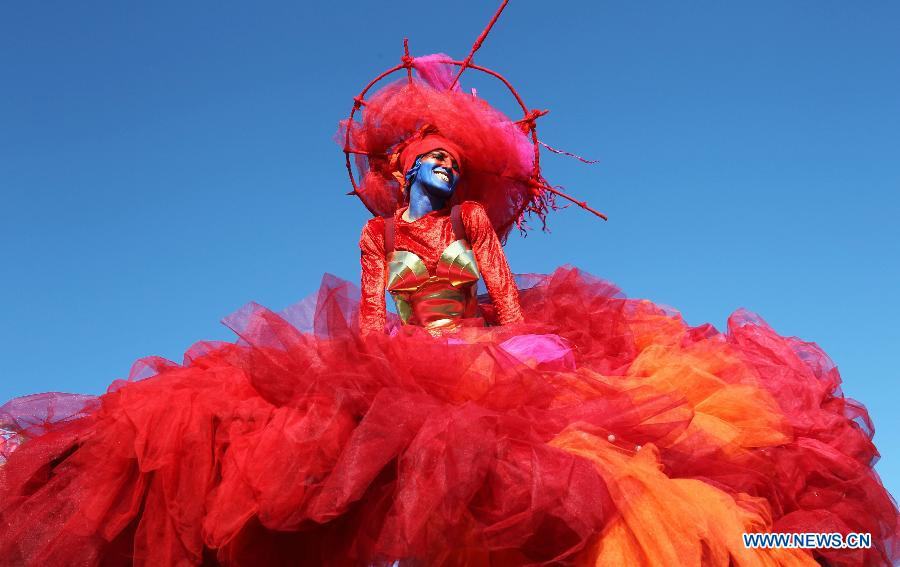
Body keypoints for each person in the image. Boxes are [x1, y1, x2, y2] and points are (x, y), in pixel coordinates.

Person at [0, 55, 897, 567]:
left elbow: (504, 304)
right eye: (423, 160)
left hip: (491, 355)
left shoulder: (473, 222)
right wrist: (374, 378)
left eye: (447, 159)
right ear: (398, 173)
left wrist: (510, 359)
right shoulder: (381, 239)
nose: (437, 170)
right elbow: (370, 323)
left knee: (619, 480)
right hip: (407, 365)